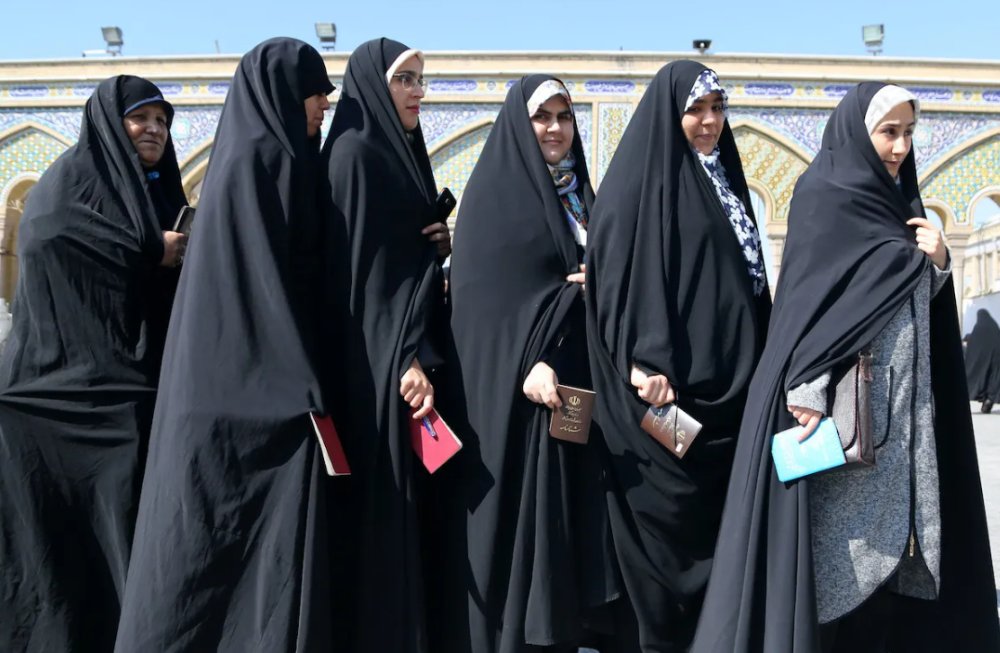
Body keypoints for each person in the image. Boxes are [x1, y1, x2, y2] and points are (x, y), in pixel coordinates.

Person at [690, 82, 999, 653]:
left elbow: (905, 301)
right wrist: (805, 385)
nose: (901, 146)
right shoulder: (825, 194)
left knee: (889, 582)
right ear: (860, 131)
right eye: (888, 132)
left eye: (909, 133)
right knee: (839, 570)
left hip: (906, 428)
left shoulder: (900, 207)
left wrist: (939, 263)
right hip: (842, 426)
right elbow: (808, 303)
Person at [113, 38, 337, 652]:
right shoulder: (257, 168)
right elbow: (261, 294)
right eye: (314, 89)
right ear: (284, 95)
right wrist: (302, 383)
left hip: (253, 388)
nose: (324, 102)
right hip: (232, 400)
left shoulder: (284, 164)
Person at [585, 60, 771, 651]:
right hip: (665, 396)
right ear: (671, 114)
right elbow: (612, 281)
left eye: (718, 108)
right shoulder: (639, 185)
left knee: (725, 530)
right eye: (697, 109)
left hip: (732, 396)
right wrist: (640, 360)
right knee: (669, 529)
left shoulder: (723, 179)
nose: (711, 121)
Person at [431, 75, 622, 653]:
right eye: (544, 118)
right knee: (524, 524)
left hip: (581, 382)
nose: (557, 130)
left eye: (565, 118)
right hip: (527, 392)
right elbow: (481, 304)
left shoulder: (582, 197)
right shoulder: (497, 197)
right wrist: (527, 362)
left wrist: (601, 285)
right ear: (521, 123)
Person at [0, 75, 187, 652]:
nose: (154, 129)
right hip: (60, 402)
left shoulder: (155, 193)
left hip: (134, 394)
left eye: (162, 121)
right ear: (110, 123)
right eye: (141, 118)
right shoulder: (69, 184)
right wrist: (148, 248)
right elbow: (51, 239)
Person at [321, 37, 450, 652]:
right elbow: (354, 281)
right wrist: (403, 358)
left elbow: (401, 260)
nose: (418, 92)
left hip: (407, 359)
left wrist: (438, 244)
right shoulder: (353, 155)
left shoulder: (401, 154)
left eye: (422, 80)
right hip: (376, 368)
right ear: (374, 84)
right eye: (405, 80)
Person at [964, 308, 1000, 413]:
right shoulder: (995, 328)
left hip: (982, 362)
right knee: (993, 379)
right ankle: (989, 399)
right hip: (996, 360)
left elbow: (973, 347)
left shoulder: (978, 328)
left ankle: (984, 398)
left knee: (981, 376)